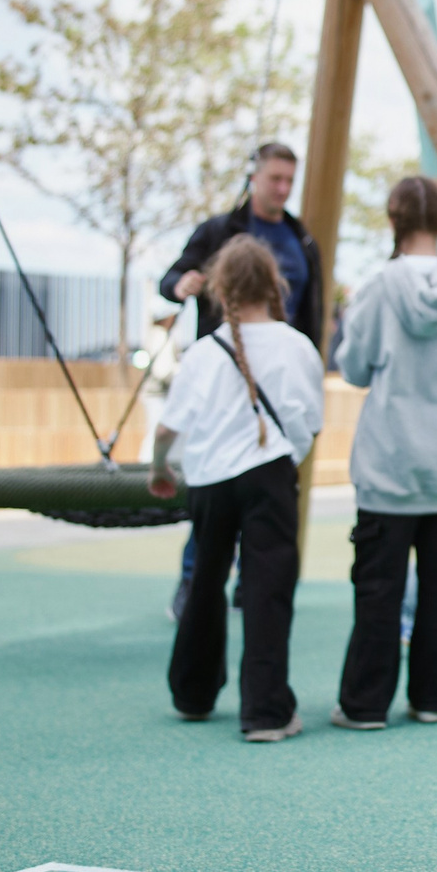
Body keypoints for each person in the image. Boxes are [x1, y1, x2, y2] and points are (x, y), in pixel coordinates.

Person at [331, 177, 437, 730]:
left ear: (393, 220)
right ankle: (434, 699)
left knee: (378, 588)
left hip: (390, 461)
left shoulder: (378, 286)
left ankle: (364, 704)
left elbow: (353, 367)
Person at [151, 235, 325, 741]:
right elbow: (309, 424)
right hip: (269, 476)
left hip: (209, 480)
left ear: (220, 287)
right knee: (268, 593)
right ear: (275, 285)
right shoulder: (297, 347)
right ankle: (265, 713)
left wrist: (160, 470)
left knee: (204, 583)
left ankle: (193, 693)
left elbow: (167, 429)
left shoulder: (205, 352)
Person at [158, 143, 326, 622]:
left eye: (288, 181)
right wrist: (181, 285)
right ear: (254, 176)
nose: (282, 189)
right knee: (217, 485)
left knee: (260, 500)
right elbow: (170, 278)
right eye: (274, 178)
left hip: (277, 380)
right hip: (229, 376)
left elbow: (310, 311)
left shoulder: (301, 239)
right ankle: (195, 586)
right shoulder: (220, 232)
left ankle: (252, 589)